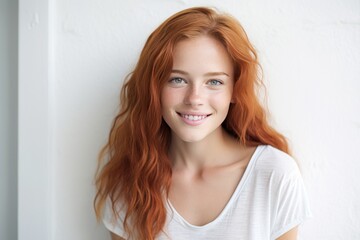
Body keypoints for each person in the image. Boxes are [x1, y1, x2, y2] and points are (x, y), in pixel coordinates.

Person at [94, 7, 312, 240]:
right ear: (153, 89)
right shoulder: (130, 182)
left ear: (234, 90)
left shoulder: (274, 174)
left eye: (214, 82)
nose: (194, 99)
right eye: (177, 79)